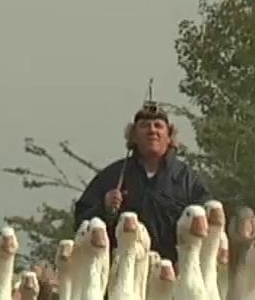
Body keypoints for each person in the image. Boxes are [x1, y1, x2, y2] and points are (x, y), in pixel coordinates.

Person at [73, 99, 211, 264]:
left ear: (169, 136)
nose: (152, 131)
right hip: (124, 273)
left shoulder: (188, 179)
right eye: (145, 126)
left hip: (172, 275)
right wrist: (104, 207)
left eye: (158, 126)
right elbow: (81, 224)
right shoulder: (112, 177)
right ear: (133, 136)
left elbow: (209, 226)